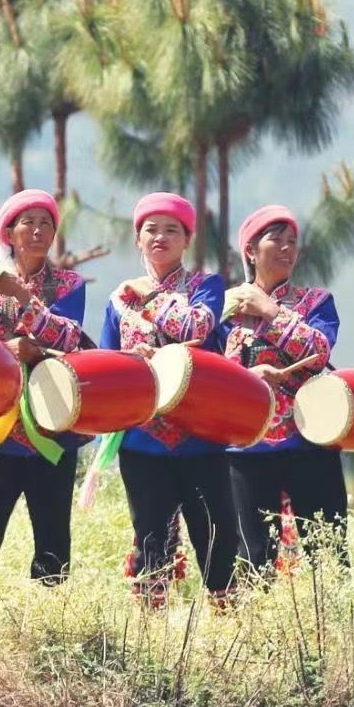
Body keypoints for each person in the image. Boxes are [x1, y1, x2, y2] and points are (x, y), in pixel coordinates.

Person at [100, 192, 237, 608]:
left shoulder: (207, 286)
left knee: (215, 534)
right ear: (138, 238)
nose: (160, 237)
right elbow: (109, 363)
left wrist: (150, 298)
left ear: (187, 239)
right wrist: (132, 360)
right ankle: (150, 631)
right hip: (143, 440)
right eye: (151, 230)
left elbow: (198, 324)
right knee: (151, 537)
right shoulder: (118, 299)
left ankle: (228, 624)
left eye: (171, 230)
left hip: (200, 434)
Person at [0, 188, 88, 588]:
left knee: (53, 536)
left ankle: (50, 616)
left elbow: (69, 338)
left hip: (53, 423)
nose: (39, 230)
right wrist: (3, 351)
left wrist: (23, 301)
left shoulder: (68, 284)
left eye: (47, 223)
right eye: (28, 222)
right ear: (9, 232)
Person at [218, 205, 343, 572]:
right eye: (277, 239)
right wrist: (250, 375)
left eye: (293, 241)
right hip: (247, 448)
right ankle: (253, 629)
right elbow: (212, 374)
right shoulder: (225, 310)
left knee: (328, 551)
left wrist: (270, 311)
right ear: (251, 251)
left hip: (311, 440)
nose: (287, 248)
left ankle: (336, 629)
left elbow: (319, 352)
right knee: (252, 556)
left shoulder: (316, 302)